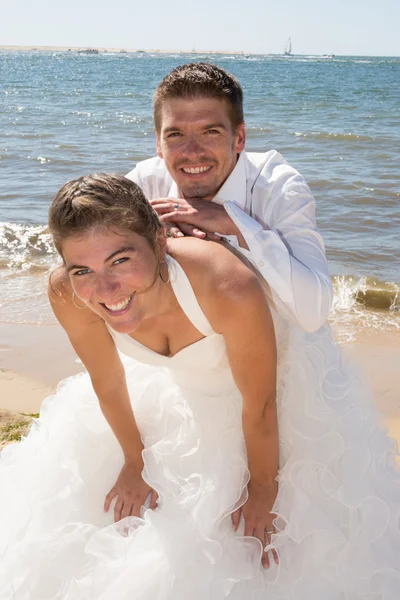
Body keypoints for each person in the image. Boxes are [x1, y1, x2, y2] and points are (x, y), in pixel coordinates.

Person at [1, 173, 400, 600]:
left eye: (120, 260)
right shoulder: (68, 292)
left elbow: (261, 402)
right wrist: (135, 460)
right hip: (180, 385)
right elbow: (109, 379)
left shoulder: (226, 284)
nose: (105, 290)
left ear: (158, 241)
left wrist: (264, 488)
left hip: (268, 387)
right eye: (83, 269)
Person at [127, 62, 333, 333]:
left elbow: (313, 314)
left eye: (210, 132)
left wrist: (237, 225)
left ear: (239, 137)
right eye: (175, 134)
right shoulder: (144, 182)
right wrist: (147, 235)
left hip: (272, 345)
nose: (192, 152)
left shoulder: (279, 187)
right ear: (158, 144)